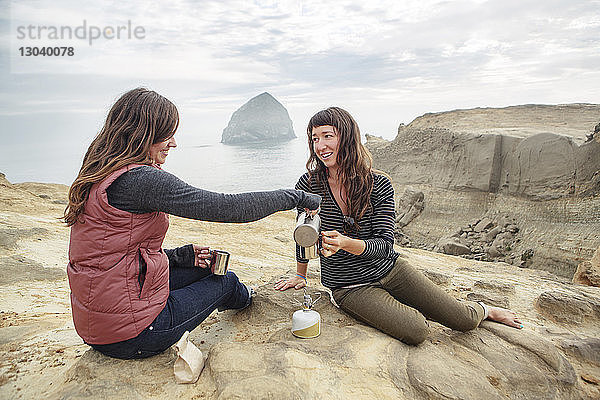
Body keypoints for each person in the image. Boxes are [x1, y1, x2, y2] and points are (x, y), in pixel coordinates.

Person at [64, 88, 321, 359]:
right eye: (166, 134)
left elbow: (111, 253)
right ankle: (249, 299)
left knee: (207, 269)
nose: (173, 143)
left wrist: (179, 257)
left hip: (101, 322)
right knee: (225, 281)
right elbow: (226, 207)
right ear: (142, 134)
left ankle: (225, 292)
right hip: (134, 334)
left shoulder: (100, 173)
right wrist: (296, 197)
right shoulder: (140, 180)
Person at [275, 106, 522, 345]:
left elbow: (384, 245)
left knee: (464, 320)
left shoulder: (379, 184)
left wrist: (345, 243)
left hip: (391, 270)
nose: (320, 146)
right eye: (314, 139)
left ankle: (486, 310)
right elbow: (303, 231)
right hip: (350, 286)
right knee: (417, 331)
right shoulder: (309, 184)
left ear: (347, 137)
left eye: (327, 136)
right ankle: (394, 307)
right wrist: (300, 274)